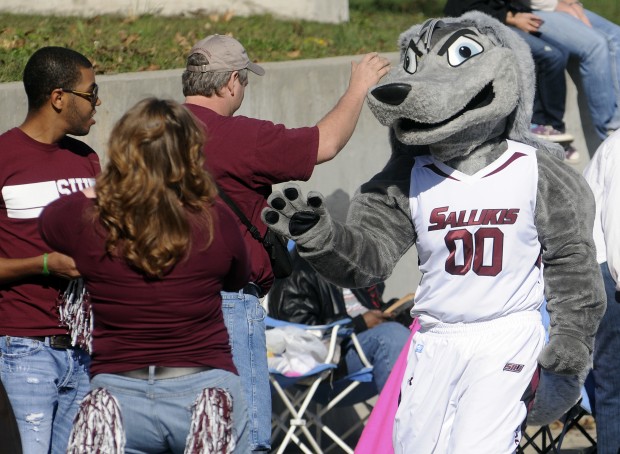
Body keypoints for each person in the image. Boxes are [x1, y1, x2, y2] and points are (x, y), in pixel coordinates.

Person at [181, 34, 391, 452]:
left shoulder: (147, 133)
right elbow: (325, 143)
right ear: (230, 84)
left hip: (158, 307)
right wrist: (357, 88)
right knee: (245, 437)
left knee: (193, 437)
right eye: (244, 81)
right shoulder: (240, 137)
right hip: (225, 306)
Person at [39, 98, 252, 453]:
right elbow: (237, 279)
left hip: (115, 398)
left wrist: (108, 186)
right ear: (191, 154)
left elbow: (50, 220)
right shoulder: (214, 219)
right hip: (204, 396)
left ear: (122, 153)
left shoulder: (90, 221)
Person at [0, 46, 101, 454]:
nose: (98, 101)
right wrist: (44, 265)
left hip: (84, 351)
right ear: (58, 98)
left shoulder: (87, 160)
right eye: (91, 92)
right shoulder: (5, 157)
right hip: (24, 350)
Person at [269, 247, 411, 392]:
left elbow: (364, 309)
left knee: (418, 330)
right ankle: (398, 412)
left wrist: (396, 310)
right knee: (392, 336)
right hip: (326, 367)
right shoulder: (298, 271)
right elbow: (300, 337)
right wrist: (359, 324)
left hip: (362, 348)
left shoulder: (350, 262)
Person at [444, 0, 576, 156]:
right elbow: (465, 8)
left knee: (561, 53)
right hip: (476, 23)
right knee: (548, 56)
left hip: (506, 17)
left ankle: (554, 130)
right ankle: (538, 124)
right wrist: (511, 17)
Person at [523, 0, 620, 141]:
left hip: (556, 4)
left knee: (617, 35)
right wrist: (558, 6)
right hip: (527, 8)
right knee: (595, 46)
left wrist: (572, 2)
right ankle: (610, 130)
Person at [583, 130, 620, 454]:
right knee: (614, 388)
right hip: (610, 275)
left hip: (609, 272)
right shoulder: (619, 147)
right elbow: (616, 223)